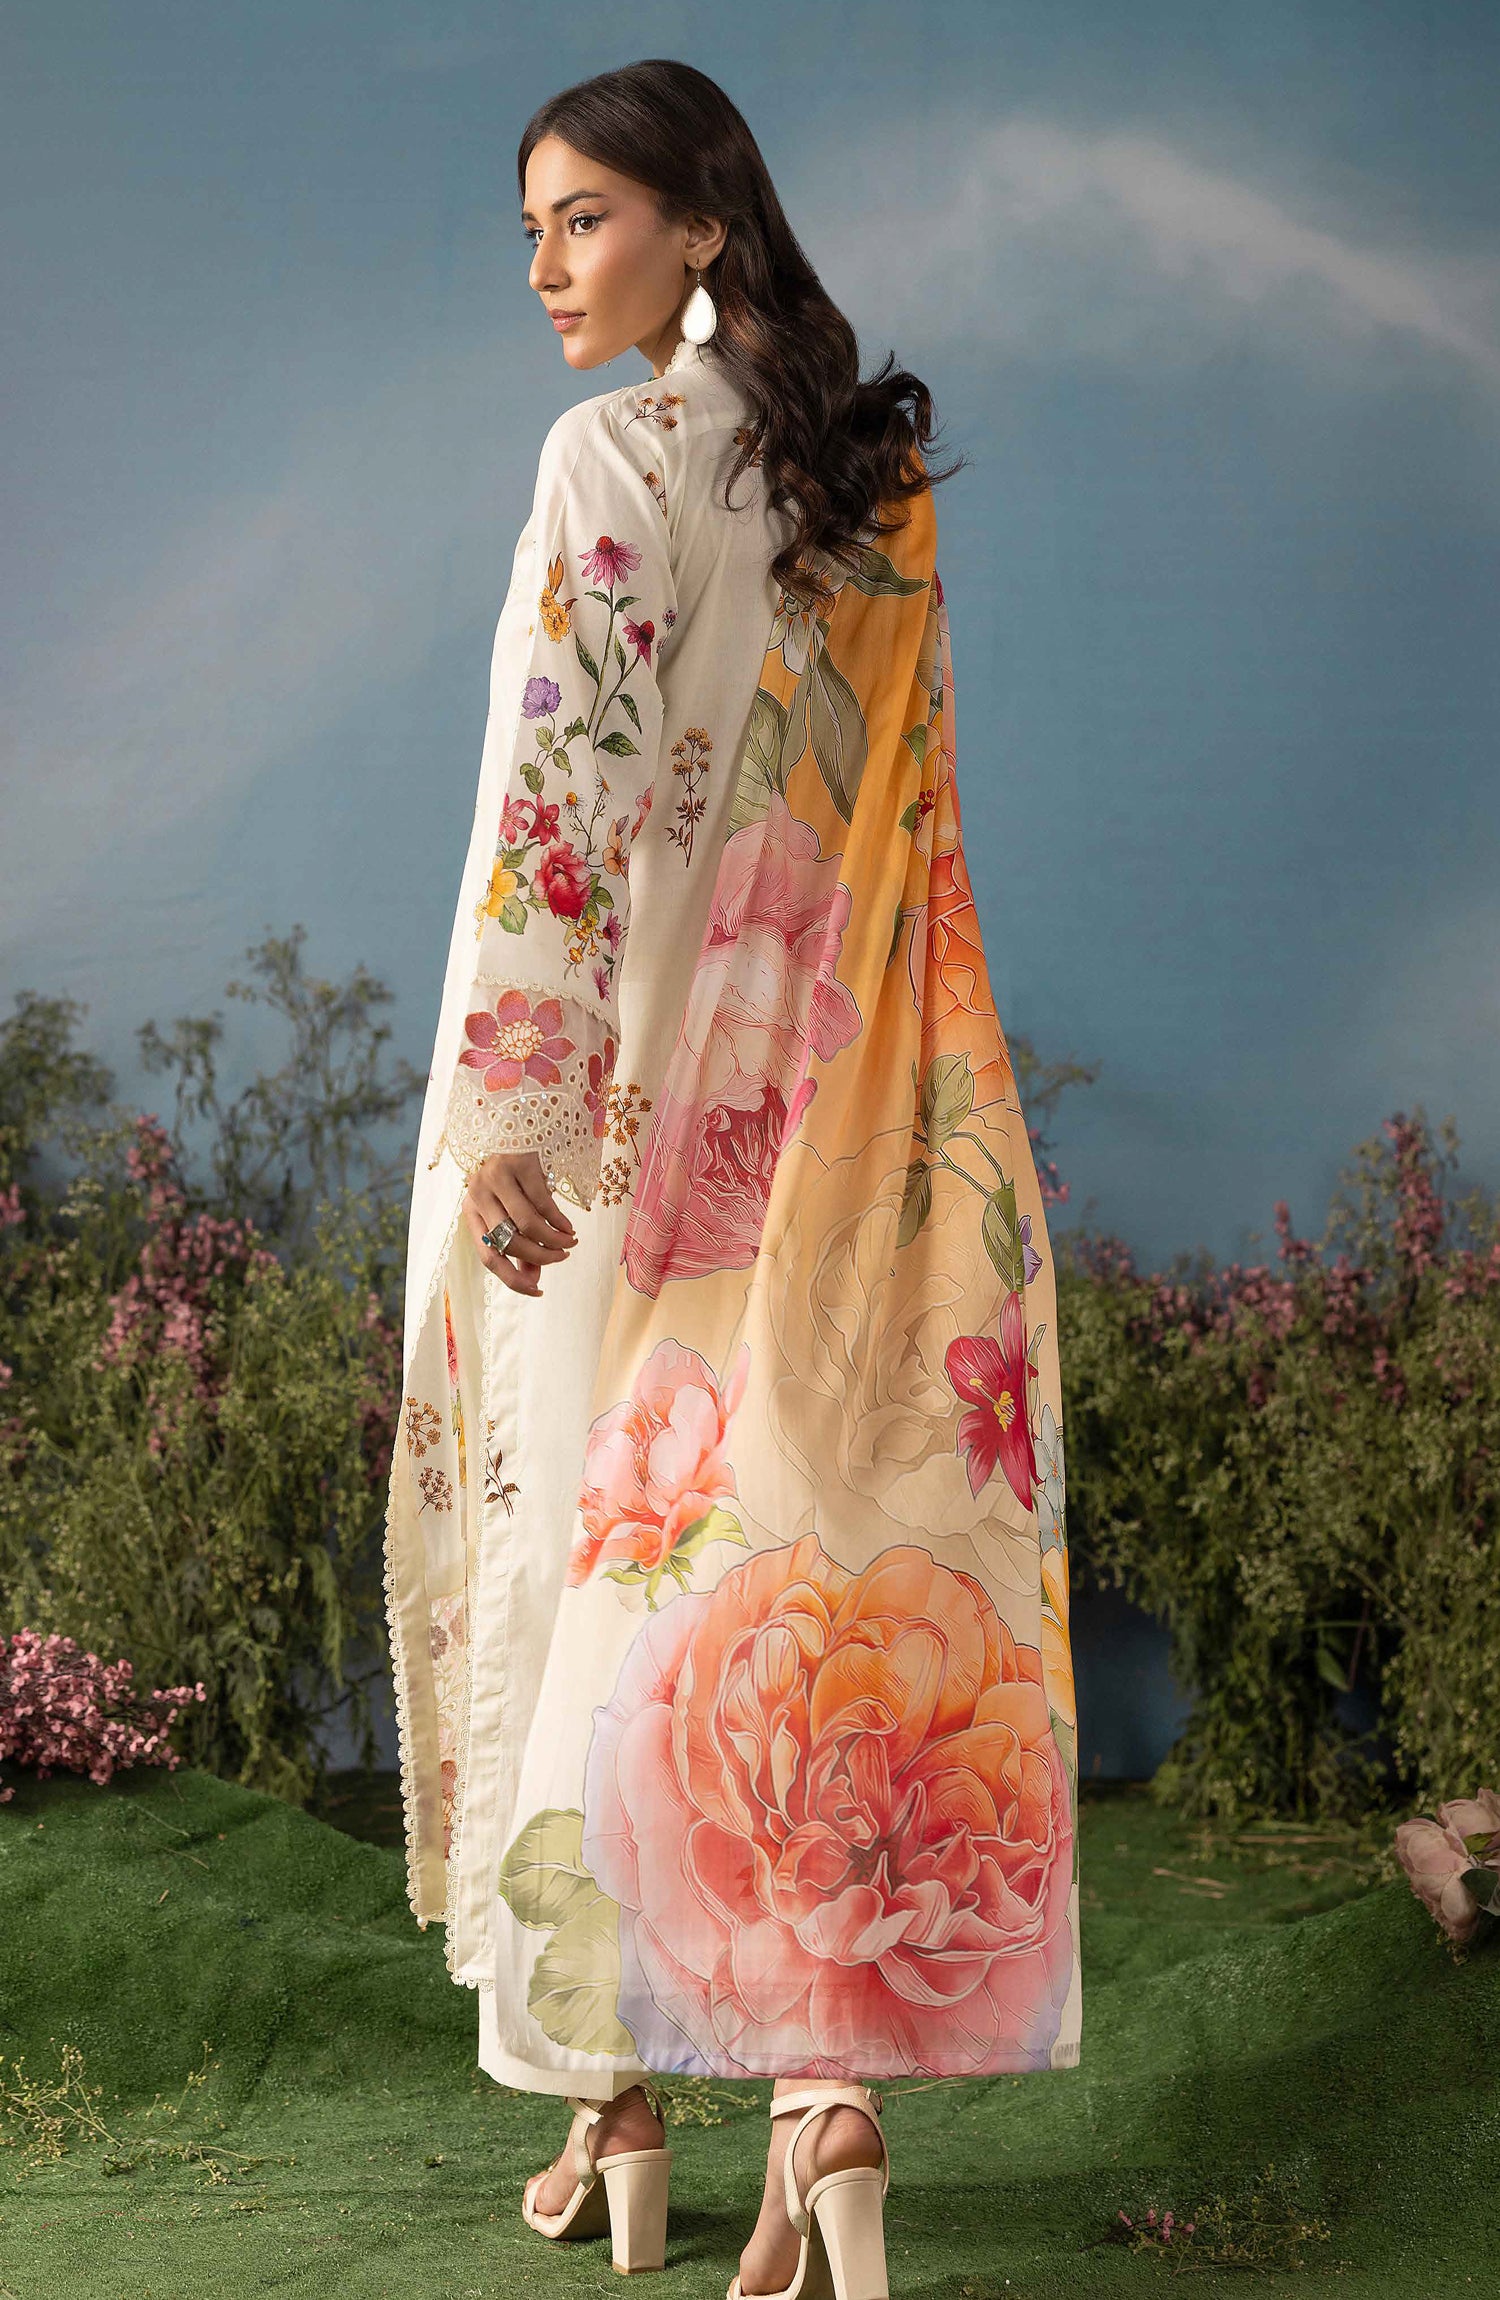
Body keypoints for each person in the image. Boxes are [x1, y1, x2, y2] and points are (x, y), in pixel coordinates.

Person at [381, 58, 1080, 2300]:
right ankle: (812, 2100)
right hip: (844, 1093)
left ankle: (618, 2098)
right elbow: (904, 822)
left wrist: (513, 1110)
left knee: (595, 1564)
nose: (544, 266)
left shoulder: (610, 459)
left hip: (618, 1117)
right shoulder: (870, 482)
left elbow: (557, 800)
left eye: (581, 217)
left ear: (700, 221)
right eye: (528, 229)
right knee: (775, 1572)